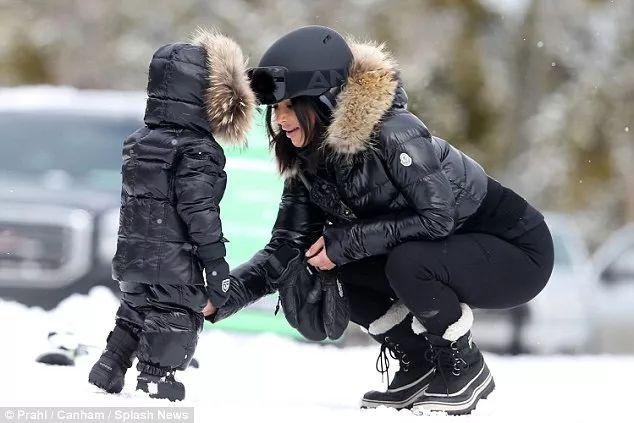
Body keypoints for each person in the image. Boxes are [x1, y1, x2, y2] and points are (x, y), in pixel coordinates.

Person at [205, 25, 554, 415]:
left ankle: (464, 369)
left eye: (289, 106)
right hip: (447, 253)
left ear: (322, 99)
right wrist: (222, 296)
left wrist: (346, 242)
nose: (280, 119)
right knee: (324, 265)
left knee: (403, 261)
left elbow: (437, 218)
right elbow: (286, 248)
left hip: (517, 251)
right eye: (276, 109)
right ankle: (420, 361)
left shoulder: (394, 131)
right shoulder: (309, 165)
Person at [88, 28, 255, 401]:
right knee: (175, 317)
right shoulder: (197, 150)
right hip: (175, 264)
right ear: (206, 95)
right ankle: (156, 379)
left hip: (133, 261)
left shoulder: (139, 141)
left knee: (135, 311)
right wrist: (214, 260)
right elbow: (198, 208)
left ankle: (109, 366)